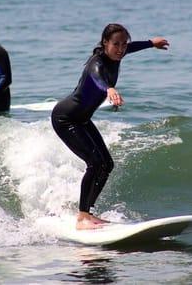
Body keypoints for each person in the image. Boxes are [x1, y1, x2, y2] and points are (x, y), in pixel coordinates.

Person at [51, 23, 169, 230]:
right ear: (105, 43)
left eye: (124, 44)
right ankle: (82, 217)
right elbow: (97, 77)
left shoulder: (118, 54)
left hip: (82, 120)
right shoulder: (96, 63)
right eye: (116, 44)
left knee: (107, 164)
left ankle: (89, 213)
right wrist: (109, 89)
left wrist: (152, 43)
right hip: (65, 118)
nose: (121, 48)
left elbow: (131, 48)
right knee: (95, 163)